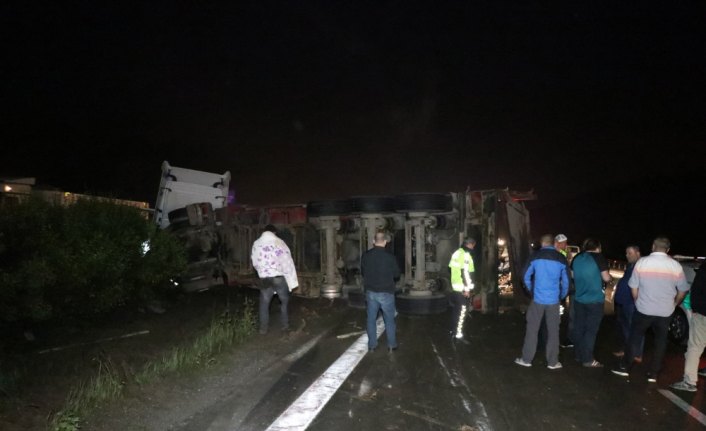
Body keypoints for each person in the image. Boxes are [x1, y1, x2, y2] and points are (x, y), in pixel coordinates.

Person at [612, 236, 689, 382]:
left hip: (644, 309)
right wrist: (675, 303)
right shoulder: (675, 266)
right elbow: (683, 289)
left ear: (653, 246)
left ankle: (625, 367)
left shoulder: (643, 263)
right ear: (668, 249)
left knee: (635, 337)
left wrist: (637, 300)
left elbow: (633, 286)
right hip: (665, 311)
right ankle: (653, 373)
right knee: (660, 341)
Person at [515, 234, 569, 369]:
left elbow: (525, 276)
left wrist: (531, 291)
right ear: (553, 243)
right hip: (553, 301)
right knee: (553, 331)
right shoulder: (561, 258)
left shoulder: (535, 256)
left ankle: (527, 359)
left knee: (532, 330)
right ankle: (552, 362)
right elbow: (567, 282)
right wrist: (561, 296)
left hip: (538, 300)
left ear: (542, 243)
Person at [571, 238, 612, 368]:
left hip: (579, 299)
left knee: (579, 328)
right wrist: (610, 279)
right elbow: (606, 277)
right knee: (590, 331)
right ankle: (588, 359)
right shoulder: (599, 257)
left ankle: (579, 355)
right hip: (594, 301)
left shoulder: (577, 257)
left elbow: (572, 275)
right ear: (597, 247)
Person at [251, 224, 299, 335]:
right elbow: (287, 262)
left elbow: (255, 262)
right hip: (278, 278)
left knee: (264, 304)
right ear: (274, 232)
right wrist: (291, 279)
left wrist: (262, 272)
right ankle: (285, 326)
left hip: (265, 278)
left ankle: (263, 329)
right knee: (284, 302)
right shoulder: (279, 243)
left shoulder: (256, 244)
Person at [361, 231, 401, 353]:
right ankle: (391, 345)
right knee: (389, 319)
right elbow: (397, 275)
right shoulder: (390, 257)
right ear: (385, 242)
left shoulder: (366, 256)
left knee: (371, 319)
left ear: (374, 241)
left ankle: (372, 346)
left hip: (371, 292)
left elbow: (363, 272)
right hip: (386, 292)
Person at [670, 264, 706, 391]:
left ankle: (690, 381)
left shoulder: (704, 268)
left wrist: (695, 308)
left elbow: (697, 290)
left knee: (695, 346)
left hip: (703, 313)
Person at [613, 245, 643, 360]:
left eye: (629, 253)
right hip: (624, 302)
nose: (627, 255)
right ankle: (627, 350)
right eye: (626, 253)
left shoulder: (641, 266)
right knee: (625, 328)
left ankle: (637, 354)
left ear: (638, 253)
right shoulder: (630, 265)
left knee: (635, 329)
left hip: (632, 303)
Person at [448, 236, 476, 341]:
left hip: (456, 288)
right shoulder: (465, 255)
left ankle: (453, 331)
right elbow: (465, 273)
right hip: (462, 289)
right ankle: (458, 334)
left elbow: (451, 270)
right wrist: (466, 289)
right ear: (469, 244)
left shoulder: (456, 253)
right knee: (462, 312)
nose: (473, 248)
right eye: (473, 245)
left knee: (456, 311)